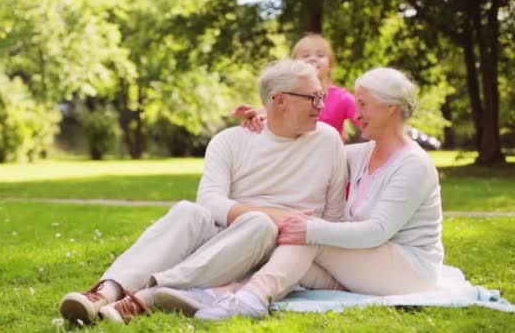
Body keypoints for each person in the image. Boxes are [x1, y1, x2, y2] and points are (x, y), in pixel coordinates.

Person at [58, 58, 347, 324]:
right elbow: (209, 201)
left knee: (260, 224)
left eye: (321, 96)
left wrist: (290, 229)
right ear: (280, 100)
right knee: (189, 211)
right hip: (226, 240)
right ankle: (105, 293)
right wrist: (276, 214)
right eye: (313, 97)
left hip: (282, 250)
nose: (321, 105)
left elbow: (334, 217)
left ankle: (147, 293)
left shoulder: (328, 140)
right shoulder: (230, 141)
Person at [154, 67, 445, 320]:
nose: (357, 115)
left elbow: (377, 231)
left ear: (390, 107)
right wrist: (269, 118)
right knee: (279, 252)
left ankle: (252, 299)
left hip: (409, 271)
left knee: (308, 237)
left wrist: (312, 230)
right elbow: (312, 150)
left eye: (364, 105)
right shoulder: (363, 154)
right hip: (367, 263)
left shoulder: (413, 165)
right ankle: (214, 295)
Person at [235, 33, 361, 141]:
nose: (313, 59)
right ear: (294, 64)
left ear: (331, 65)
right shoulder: (287, 93)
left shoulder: (342, 97)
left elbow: (366, 118)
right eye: (305, 56)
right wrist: (255, 116)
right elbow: (272, 112)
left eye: (320, 55)